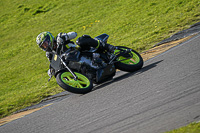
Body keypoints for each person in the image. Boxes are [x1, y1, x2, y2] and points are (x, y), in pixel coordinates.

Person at [36, 31, 116, 61]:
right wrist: (51, 70)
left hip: (81, 50)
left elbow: (74, 34)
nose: (45, 46)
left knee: (81, 40)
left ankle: (107, 47)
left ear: (49, 38)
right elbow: (53, 64)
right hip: (72, 61)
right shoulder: (50, 54)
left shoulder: (59, 37)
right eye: (43, 46)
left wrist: (65, 37)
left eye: (45, 43)